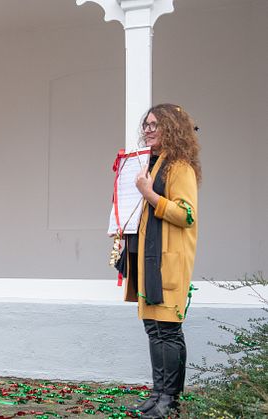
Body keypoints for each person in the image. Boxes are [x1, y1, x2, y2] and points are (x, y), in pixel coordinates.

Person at [122, 104, 201, 419]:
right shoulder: (154, 165)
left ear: (173, 127)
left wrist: (148, 194)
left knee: (167, 331)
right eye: (147, 124)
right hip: (150, 259)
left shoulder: (179, 167)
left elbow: (186, 214)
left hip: (168, 262)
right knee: (155, 329)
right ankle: (159, 394)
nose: (149, 129)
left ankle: (169, 399)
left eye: (156, 124)